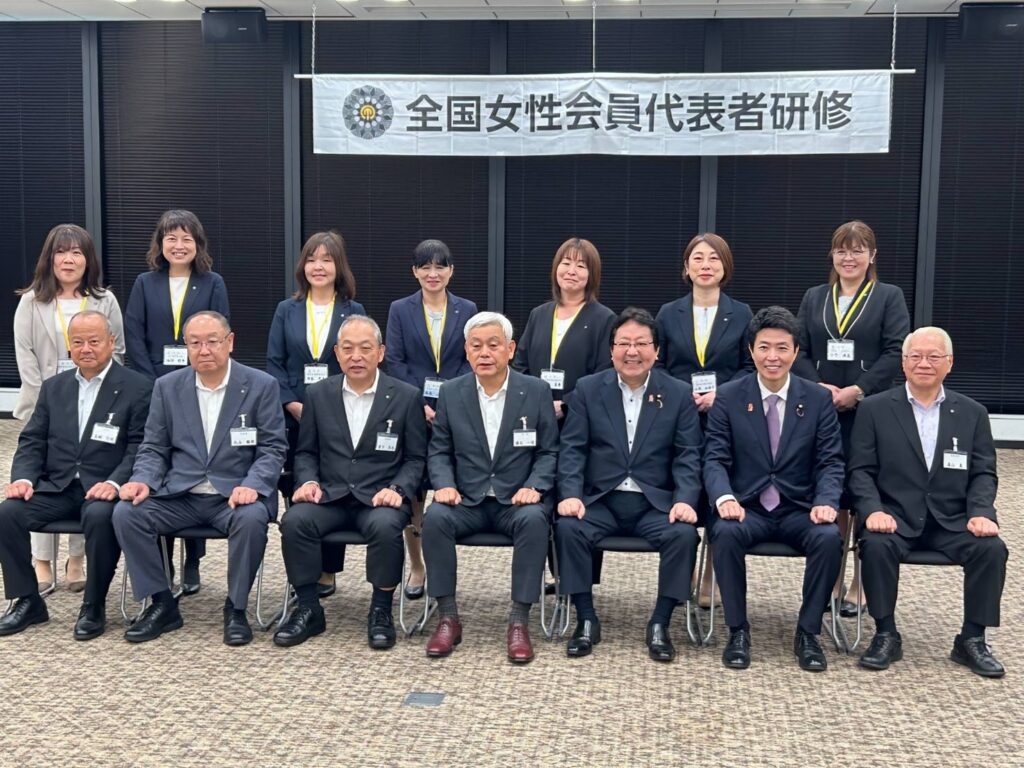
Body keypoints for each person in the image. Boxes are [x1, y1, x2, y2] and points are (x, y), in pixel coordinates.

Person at [112, 311, 287, 646]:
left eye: (212, 341)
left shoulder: (260, 385)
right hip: (181, 495)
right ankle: (162, 603)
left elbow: (273, 448)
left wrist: (252, 485)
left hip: (234, 497)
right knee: (127, 513)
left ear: (230, 342)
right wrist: (143, 480)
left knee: (252, 519)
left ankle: (236, 608)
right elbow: (154, 446)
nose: (204, 350)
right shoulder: (167, 387)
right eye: (195, 343)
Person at [848, 327, 1007, 677]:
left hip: (952, 520)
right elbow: (860, 471)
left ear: (949, 363)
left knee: (991, 549)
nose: (924, 363)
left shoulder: (973, 413)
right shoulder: (874, 409)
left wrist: (981, 512)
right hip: (894, 518)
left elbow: (983, 472)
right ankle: (885, 634)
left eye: (934, 356)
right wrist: (873, 510)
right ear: (903, 363)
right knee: (876, 545)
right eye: (915, 356)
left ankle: (972, 639)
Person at [556, 307, 703, 662]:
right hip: (601, 500)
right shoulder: (589, 389)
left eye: (641, 343)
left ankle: (660, 622)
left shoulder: (677, 393)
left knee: (683, 534)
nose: (632, 351)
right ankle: (586, 618)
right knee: (568, 526)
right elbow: (573, 449)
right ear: (611, 350)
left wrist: (685, 499)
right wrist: (571, 495)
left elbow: (688, 455)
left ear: (657, 351)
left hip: (655, 504)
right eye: (623, 343)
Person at [703, 306, 845, 672]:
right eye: (764, 347)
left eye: (782, 348)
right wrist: (724, 497)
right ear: (751, 350)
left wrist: (826, 501)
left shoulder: (817, 399)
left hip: (799, 507)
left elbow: (830, 461)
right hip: (746, 506)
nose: (773, 357)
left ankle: (808, 632)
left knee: (829, 537)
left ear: (796, 352)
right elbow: (714, 458)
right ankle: (737, 630)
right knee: (725, 533)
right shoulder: (729, 396)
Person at [274, 316, 427, 650]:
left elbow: (416, 458)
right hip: (330, 496)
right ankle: (309, 608)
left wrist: (397, 490)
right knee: (295, 521)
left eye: (365, 348)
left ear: (381, 352)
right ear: (337, 353)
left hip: (379, 499)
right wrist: (308, 480)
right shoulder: (318, 394)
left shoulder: (405, 396)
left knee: (386, 526)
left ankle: (381, 610)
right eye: (348, 348)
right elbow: (306, 451)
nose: (356, 356)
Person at [0, 311, 150, 640]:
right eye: (78, 342)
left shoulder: (138, 387)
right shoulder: (55, 387)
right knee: (8, 512)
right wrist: (23, 478)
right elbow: (33, 440)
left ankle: (93, 605)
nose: (86, 349)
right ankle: (27, 600)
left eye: (94, 341)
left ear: (111, 342)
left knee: (99, 516)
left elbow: (140, 445)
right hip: (58, 486)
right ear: (69, 346)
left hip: (105, 488)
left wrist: (115, 482)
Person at [421, 312, 558, 663]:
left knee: (534, 520)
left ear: (510, 349)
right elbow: (439, 450)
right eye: (476, 346)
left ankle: (519, 621)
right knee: (435, 517)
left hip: (516, 501)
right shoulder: (452, 392)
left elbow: (549, 451)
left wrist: (535, 486)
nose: (485, 353)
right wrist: (444, 484)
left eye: (493, 345)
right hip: (467, 500)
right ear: (466, 351)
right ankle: (447, 617)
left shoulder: (536, 391)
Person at [794, 220, 910, 616]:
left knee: (864, 493)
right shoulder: (814, 297)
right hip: (822, 410)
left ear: (872, 256)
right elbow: (799, 349)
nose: (849, 257)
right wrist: (818, 388)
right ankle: (831, 579)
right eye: (842, 250)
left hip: (868, 411)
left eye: (858, 250)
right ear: (832, 254)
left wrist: (857, 390)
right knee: (832, 495)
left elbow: (895, 351)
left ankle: (861, 584)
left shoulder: (888, 296)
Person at [13, 224, 126, 593]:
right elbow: (25, 357)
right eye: (61, 252)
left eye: (77, 252)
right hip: (44, 405)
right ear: (50, 258)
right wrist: (44, 402)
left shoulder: (104, 300)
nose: (68, 259)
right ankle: (42, 561)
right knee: (42, 482)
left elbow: (118, 352)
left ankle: (76, 559)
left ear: (87, 259)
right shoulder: (31, 301)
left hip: (93, 402)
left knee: (85, 475)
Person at [124, 209, 231, 595]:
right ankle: (163, 562)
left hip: (197, 385)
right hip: (155, 387)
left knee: (198, 462)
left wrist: (188, 378)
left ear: (197, 244)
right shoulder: (145, 283)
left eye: (186, 238)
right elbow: (134, 332)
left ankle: (193, 560)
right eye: (171, 238)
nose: (179, 245)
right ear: (161, 244)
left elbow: (217, 334)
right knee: (162, 470)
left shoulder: (212, 283)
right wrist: (156, 382)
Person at [655, 232, 754, 608]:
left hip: (724, 416)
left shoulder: (742, 313)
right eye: (698, 258)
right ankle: (686, 571)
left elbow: (749, 366)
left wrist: (720, 395)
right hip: (679, 416)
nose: (706, 265)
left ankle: (712, 574)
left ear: (725, 266)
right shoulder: (669, 313)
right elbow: (658, 365)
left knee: (719, 492)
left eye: (714, 258)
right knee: (682, 490)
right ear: (686, 267)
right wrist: (683, 394)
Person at [267, 231, 366, 597]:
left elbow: (360, 363)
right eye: (311, 259)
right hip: (293, 413)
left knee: (335, 485)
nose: (318, 266)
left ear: (338, 266)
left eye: (326, 259)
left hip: (339, 413)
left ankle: (328, 569)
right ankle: (303, 570)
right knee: (301, 488)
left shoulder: (353, 311)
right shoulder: (287, 309)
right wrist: (293, 404)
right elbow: (275, 363)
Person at [385, 240, 478, 601]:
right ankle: (417, 565)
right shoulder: (400, 309)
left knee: (446, 482)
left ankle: (441, 565)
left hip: (455, 409)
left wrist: (448, 400)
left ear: (451, 271)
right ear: (415, 272)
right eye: (425, 267)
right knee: (414, 491)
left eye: (440, 266)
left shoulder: (467, 309)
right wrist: (420, 402)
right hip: (412, 410)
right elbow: (395, 360)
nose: (433, 273)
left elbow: (470, 358)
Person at [512, 237, 616, 419]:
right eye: (566, 263)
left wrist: (566, 403)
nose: (571, 271)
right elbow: (520, 365)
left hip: (580, 415)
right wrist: (533, 400)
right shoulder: (538, 314)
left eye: (581, 266)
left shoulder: (604, 319)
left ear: (592, 274)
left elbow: (604, 374)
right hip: (535, 414)